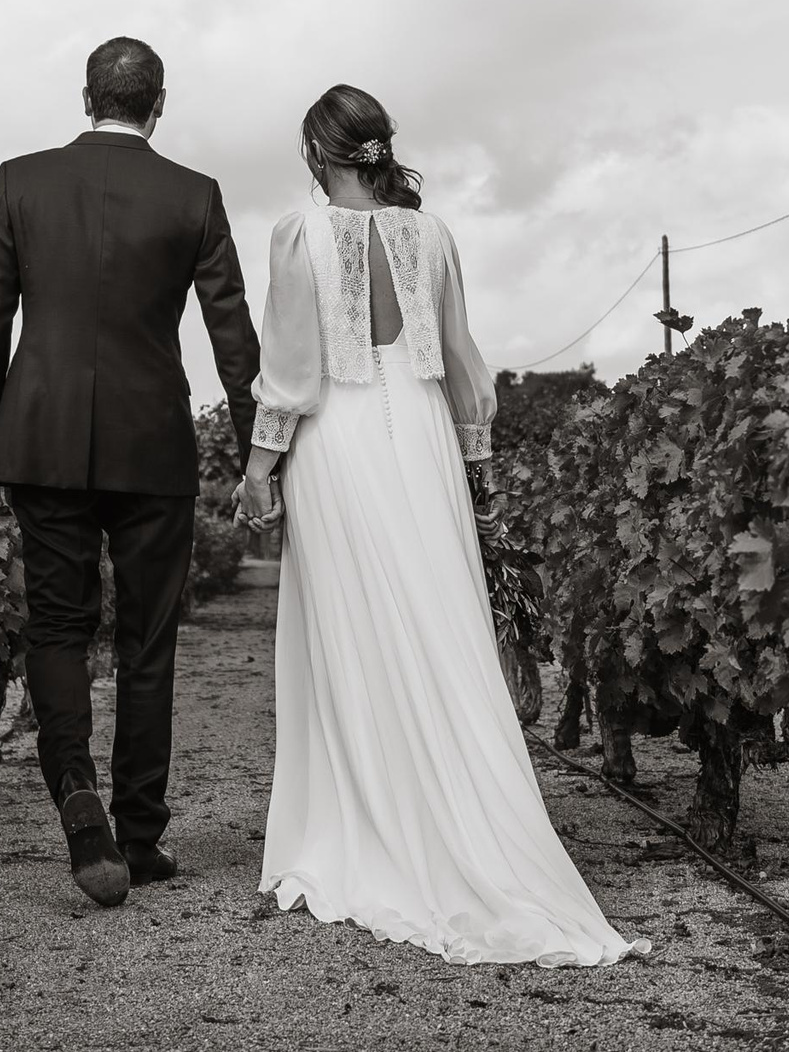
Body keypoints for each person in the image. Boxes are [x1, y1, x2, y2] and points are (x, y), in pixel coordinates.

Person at [240, 85, 648, 966]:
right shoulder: (435, 237)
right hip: (422, 440)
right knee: (438, 620)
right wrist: (478, 463)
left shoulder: (295, 233)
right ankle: (469, 819)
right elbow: (468, 365)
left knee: (353, 628)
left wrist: (260, 465)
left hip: (335, 443)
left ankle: (370, 825)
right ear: (378, 150)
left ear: (320, 153)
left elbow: (293, 368)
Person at [0, 36, 260, 907]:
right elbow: (231, 337)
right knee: (146, 641)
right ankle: (138, 833)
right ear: (158, 102)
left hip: (43, 440)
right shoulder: (194, 194)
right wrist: (257, 457)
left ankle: (75, 796)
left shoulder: (19, 179)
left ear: (84, 96)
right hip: (151, 445)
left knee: (57, 627)